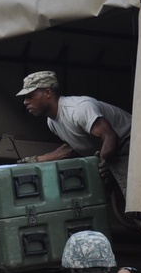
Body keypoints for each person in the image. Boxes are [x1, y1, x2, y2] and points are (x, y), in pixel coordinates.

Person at [16, 71, 132, 200]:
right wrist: (37, 160)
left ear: (48, 93)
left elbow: (110, 136)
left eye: (30, 96)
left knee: (138, 200)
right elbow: (72, 148)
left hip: (131, 143)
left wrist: (104, 160)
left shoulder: (78, 109)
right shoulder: (52, 122)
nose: (25, 102)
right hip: (110, 152)